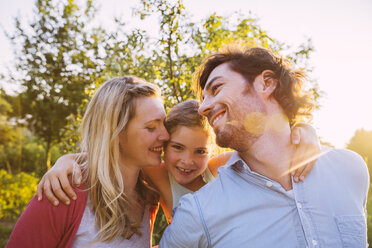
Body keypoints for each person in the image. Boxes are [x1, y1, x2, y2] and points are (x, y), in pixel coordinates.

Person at [159, 45, 369, 247]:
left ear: (267, 83)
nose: (203, 108)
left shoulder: (351, 169)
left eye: (217, 88)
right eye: (203, 99)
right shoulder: (197, 212)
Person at [36, 100, 319, 224]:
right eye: (177, 148)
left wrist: (305, 130)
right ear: (164, 143)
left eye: (200, 151)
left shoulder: (220, 168)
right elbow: (111, 155)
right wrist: (66, 160)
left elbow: (271, 149)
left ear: (212, 149)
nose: (187, 161)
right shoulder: (158, 174)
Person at [7, 76, 170, 247]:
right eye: (151, 127)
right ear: (115, 131)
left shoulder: (148, 197)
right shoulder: (63, 191)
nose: (165, 136)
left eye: (164, 124)